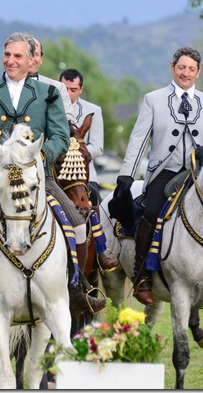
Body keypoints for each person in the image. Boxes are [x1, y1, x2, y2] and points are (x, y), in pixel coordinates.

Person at [0, 32, 107, 323]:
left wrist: (43, 156)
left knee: (80, 228)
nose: (11, 61)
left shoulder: (49, 93)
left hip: (39, 176)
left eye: (18, 56)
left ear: (31, 60)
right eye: (7, 55)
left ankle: (76, 287)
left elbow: (59, 136)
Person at [108, 46, 203, 305]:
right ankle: (141, 276)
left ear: (198, 72)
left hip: (198, 174)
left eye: (191, 69)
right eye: (181, 67)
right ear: (172, 68)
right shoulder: (153, 99)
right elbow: (138, 139)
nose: (186, 73)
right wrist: (127, 174)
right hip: (164, 171)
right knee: (151, 211)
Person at [59, 68, 120, 273]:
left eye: (73, 89)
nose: (68, 94)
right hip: (57, 169)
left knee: (92, 198)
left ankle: (101, 251)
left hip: (82, 170)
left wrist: (76, 151)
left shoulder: (93, 110)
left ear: (81, 90)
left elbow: (98, 147)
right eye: (65, 88)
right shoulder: (50, 108)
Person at [27, 36, 75, 124]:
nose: (31, 59)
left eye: (35, 54)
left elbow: (68, 121)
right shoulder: (1, 87)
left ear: (41, 58)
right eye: (28, 54)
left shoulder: (58, 87)